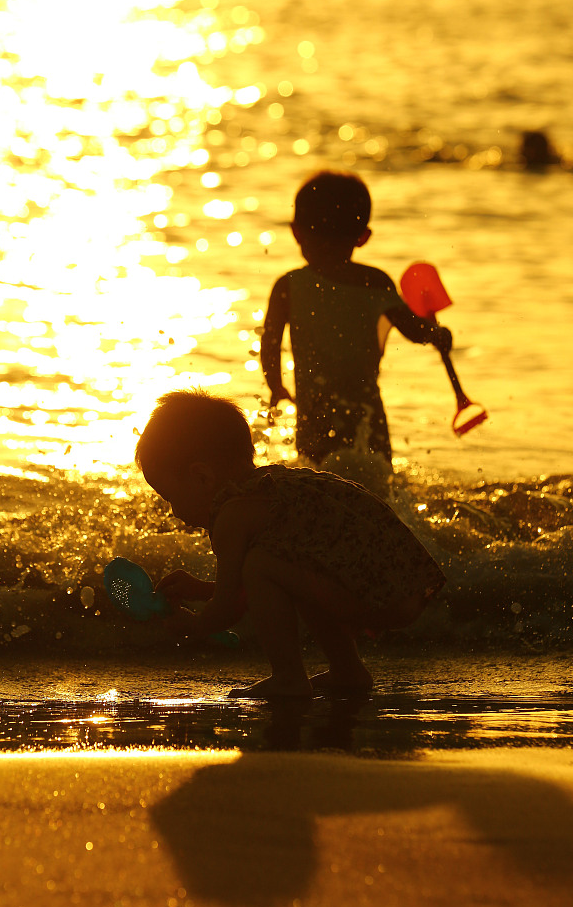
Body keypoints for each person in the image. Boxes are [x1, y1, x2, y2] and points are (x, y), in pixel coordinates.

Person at [135, 388, 445, 699]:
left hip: (381, 595)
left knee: (261, 565)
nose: (174, 512)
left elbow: (230, 607)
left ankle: (289, 677)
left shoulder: (234, 513)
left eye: (170, 497)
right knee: (288, 562)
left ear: (202, 476)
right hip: (399, 587)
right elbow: (248, 590)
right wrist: (204, 590)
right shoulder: (270, 486)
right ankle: (347, 671)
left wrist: (191, 625)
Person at [261, 170, 453, 466]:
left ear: (296, 231)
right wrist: (437, 334)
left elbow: (270, 341)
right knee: (378, 486)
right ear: (363, 237)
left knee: (317, 480)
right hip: (367, 414)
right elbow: (415, 331)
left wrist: (275, 385)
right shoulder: (374, 283)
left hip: (315, 415)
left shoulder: (288, 286)